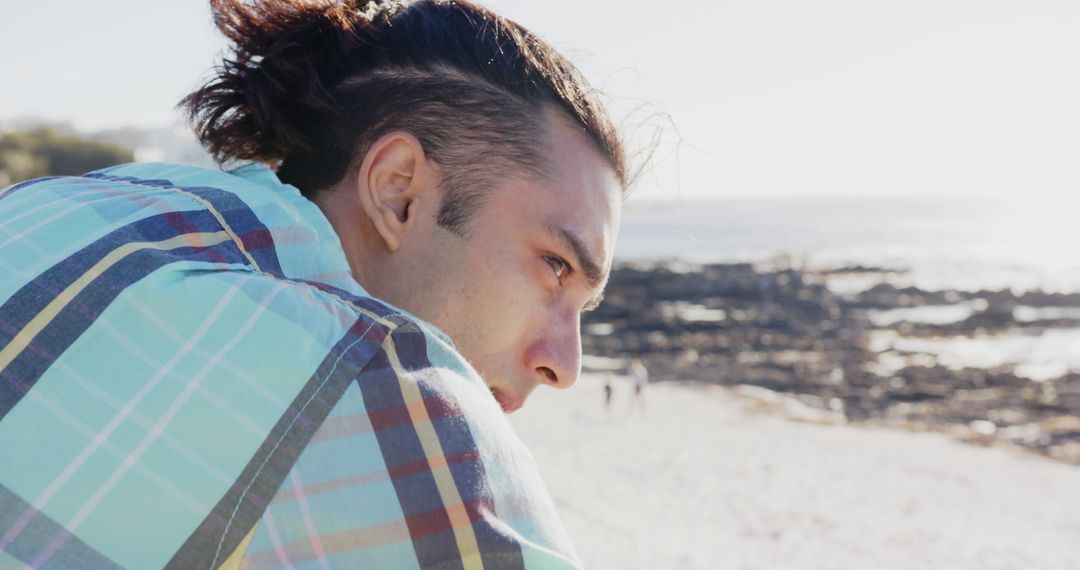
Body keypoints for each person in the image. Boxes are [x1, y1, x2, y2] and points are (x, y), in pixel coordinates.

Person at [0, 0, 626, 568]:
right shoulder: (378, 380)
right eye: (555, 266)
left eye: (584, 306)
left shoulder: (43, 208)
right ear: (399, 192)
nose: (565, 365)